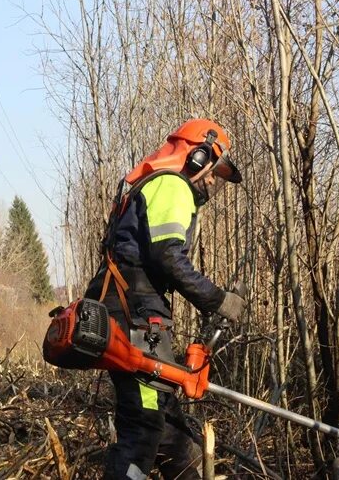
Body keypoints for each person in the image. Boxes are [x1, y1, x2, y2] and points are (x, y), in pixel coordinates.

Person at [83, 118, 248, 480]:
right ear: (196, 156)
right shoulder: (171, 185)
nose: (211, 182)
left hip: (135, 311)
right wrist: (217, 299)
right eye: (212, 172)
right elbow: (168, 256)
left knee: (169, 427)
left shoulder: (152, 184)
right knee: (142, 428)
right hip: (136, 315)